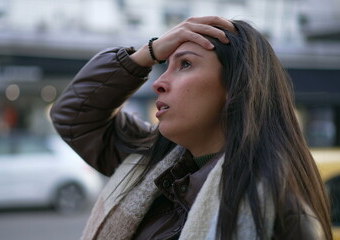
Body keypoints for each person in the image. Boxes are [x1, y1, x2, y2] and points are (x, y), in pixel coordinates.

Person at [50, 16, 332, 240]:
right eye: (165, 66)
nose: (158, 83)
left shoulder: (278, 210)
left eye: (185, 64)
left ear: (236, 87)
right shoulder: (152, 167)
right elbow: (74, 117)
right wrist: (147, 52)